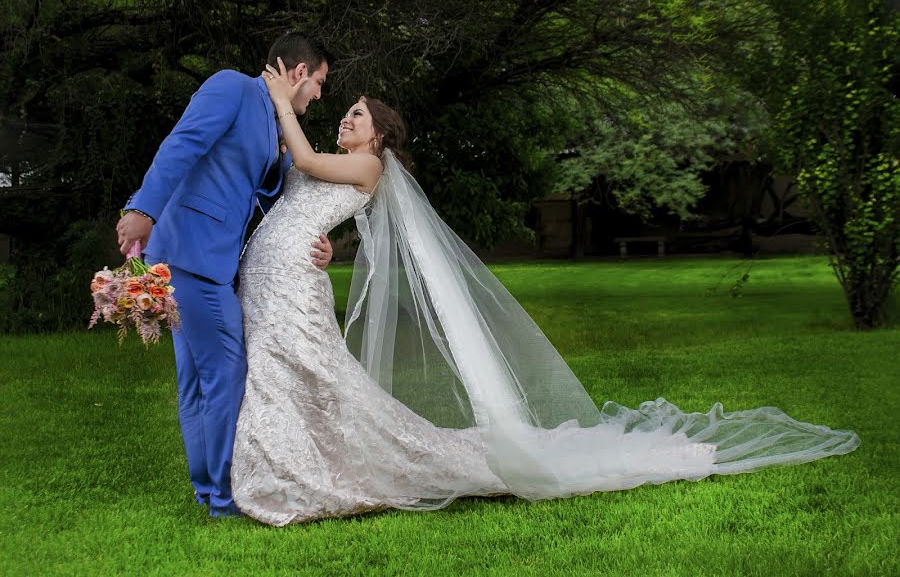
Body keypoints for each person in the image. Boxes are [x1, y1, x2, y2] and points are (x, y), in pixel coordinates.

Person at [230, 59, 860, 526]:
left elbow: (310, 165)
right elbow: (310, 200)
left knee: (317, 373)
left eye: (357, 115)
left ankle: (320, 465)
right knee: (305, 374)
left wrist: (282, 97)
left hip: (289, 288)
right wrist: (327, 248)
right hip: (279, 280)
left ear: (380, 137)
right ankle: (306, 456)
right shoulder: (345, 164)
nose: (346, 117)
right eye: (345, 112)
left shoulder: (368, 166)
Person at [115, 34, 335, 518]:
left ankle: (208, 490)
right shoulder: (231, 88)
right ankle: (224, 492)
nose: (319, 95)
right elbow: (183, 144)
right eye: (319, 82)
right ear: (299, 73)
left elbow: (269, 189)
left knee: (196, 378)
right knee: (227, 371)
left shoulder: (270, 115)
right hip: (191, 255)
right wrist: (143, 209)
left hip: (205, 258)